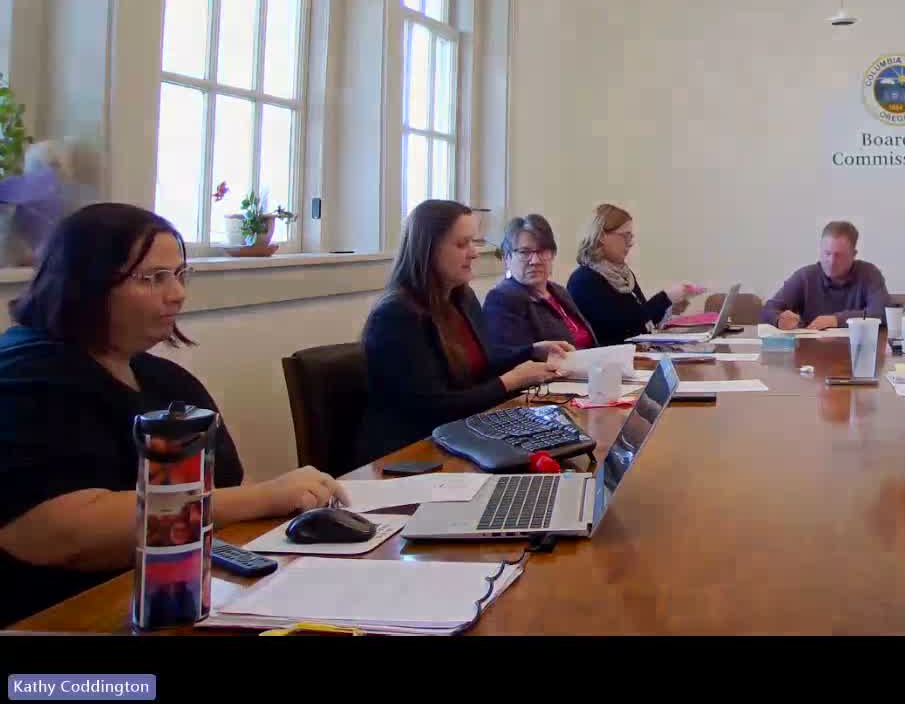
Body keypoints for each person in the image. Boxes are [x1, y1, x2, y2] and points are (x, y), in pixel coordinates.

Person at [0, 203, 346, 627]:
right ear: (84, 283)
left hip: (183, 599)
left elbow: (226, 489)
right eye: (153, 278)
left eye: (180, 274)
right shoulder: (24, 377)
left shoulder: (167, 381)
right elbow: (52, 533)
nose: (177, 293)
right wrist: (267, 496)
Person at [358, 200, 563, 463]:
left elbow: (483, 366)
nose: (474, 252)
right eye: (462, 244)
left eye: (474, 242)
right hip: (411, 454)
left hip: (462, 435)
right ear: (429, 249)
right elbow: (433, 408)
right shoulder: (396, 315)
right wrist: (511, 381)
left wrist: (532, 351)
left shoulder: (462, 299)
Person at [565, 204, 702, 345]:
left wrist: (669, 307)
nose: (630, 243)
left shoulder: (624, 274)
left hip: (637, 353)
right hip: (611, 357)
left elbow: (643, 319)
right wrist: (666, 298)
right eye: (625, 236)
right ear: (601, 236)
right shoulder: (583, 280)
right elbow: (625, 329)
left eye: (631, 236)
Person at [482, 213, 593, 365]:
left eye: (542, 251)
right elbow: (505, 360)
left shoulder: (559, 291)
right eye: (524, 252)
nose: (535, 261)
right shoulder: (502, 299)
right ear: (507, 257)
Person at [761, 221, 890, 330]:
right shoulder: (805, 277)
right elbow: (768, 310)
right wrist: (779, 320)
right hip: (811, 349)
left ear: (853, 254)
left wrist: (835, 320)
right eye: (827, 253)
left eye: (839, 255)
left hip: (857, 348)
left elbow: (882, 313)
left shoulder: (869, 273)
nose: (832, 261)